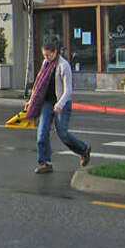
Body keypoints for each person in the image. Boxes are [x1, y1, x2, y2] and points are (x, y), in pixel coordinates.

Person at [25, 38, 91, 174]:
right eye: (44, 55)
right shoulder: (45, 63)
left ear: (55, 52)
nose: (46, 58)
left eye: (48, 55)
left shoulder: (63, 65)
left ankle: (84, 149)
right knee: (42, 133)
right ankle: (45, 163)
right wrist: (31, 100)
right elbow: (38, 86)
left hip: (62, 103)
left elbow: (68, 90)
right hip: (47, 103)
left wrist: (60, 104)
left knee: (63, 134)